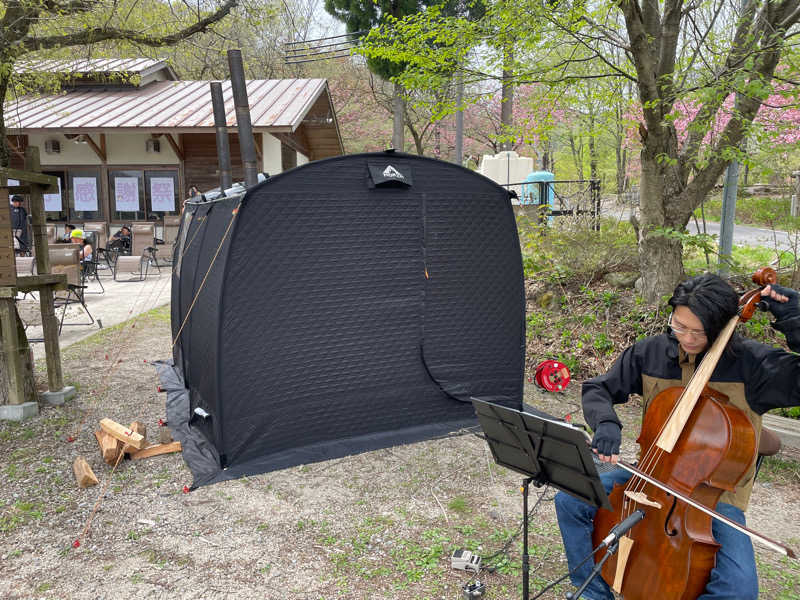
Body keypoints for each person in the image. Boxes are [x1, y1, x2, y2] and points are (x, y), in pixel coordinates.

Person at [554, 273, 800, 600]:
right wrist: (605, 423)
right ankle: (592, 593)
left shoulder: (754, 366)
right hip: (649, 474)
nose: (684, 337)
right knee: (570, 499)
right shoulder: (652, 352)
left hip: (711, 498)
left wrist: (795, 319)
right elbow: (598, 388)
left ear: (719, 326)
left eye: (696, 332)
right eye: (678, 326)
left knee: (739, 589)